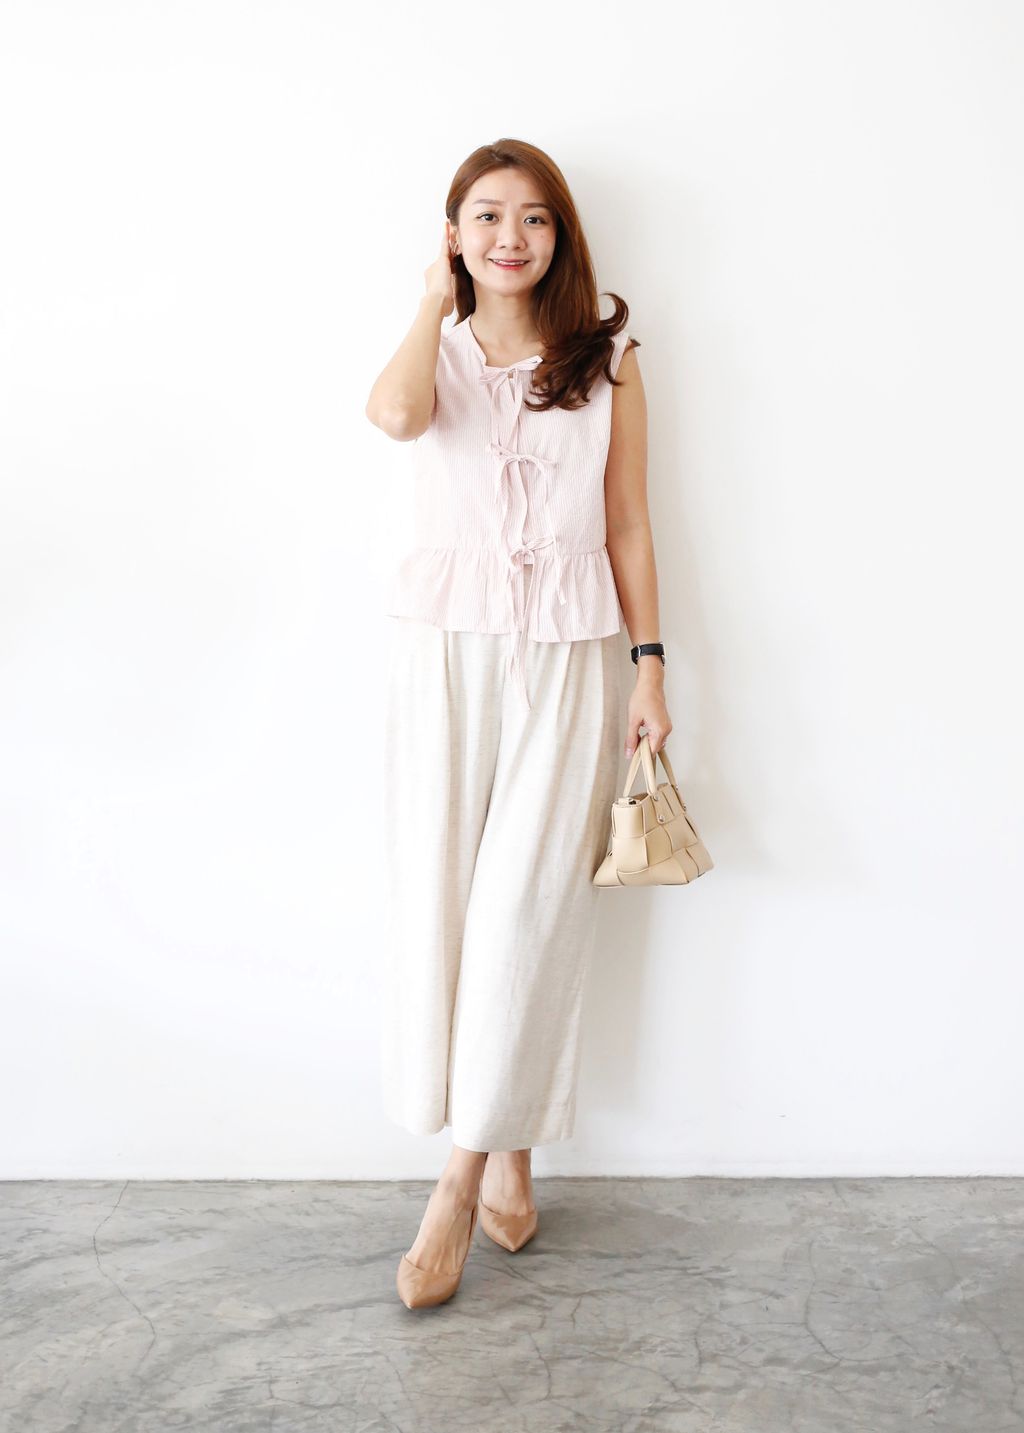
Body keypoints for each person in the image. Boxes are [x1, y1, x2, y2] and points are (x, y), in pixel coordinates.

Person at [365, 138, 672, 1308]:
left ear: (560, 236)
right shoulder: (434, 353)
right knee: (447, 904)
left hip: (567, 653)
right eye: (486, 215)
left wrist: (649, 668)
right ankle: (511, 1146)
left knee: (524, 909)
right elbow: (394, 415)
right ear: (454, 235)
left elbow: (628, 524)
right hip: (443, 655)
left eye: (534, 217)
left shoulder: (610, 361)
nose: (511, 236)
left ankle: (456, 1181)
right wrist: (428, 298)